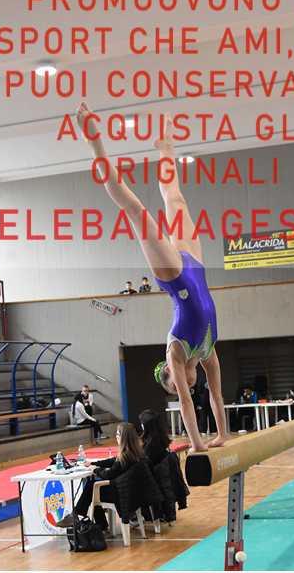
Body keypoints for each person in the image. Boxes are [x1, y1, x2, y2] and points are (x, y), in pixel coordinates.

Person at [77, 104, 227, 451]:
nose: (183, 386)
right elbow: (216, 396)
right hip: (195, 265)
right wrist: (220, 436)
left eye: (174, 384)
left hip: (175, 276)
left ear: (171, 373)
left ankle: (95, 142)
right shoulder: (207, 351)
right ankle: (165, 147)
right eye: (178, 387)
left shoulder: (176, 350)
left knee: (136, 210)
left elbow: (187, 403)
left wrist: (197, 444)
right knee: (176, 198)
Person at [57, 422, 146, 528]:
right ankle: (95, 522)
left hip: (122, 493)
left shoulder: (126, 456)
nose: (116, 437)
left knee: (92, 486)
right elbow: (113, 461)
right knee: (93, 486)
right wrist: (94, 463)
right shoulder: (134, 452)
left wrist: (95, 469)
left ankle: (79, 516)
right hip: (131, 491)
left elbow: (108, 474)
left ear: (124, 437)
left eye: (118, 434)